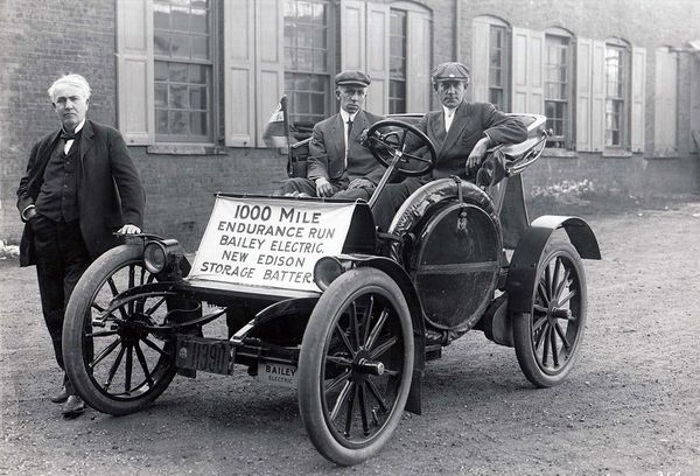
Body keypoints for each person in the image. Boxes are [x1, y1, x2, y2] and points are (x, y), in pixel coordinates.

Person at [16, 74, 146, 418]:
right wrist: (29, 210)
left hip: (83, 240)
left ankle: (78, 386)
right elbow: (26, 186)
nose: (68, 106)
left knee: (76, 311)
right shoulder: (44, 145)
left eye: (74, 99)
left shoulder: (106, 138)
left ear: (86, 102)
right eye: (61, 101)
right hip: (46, 238)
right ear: (54, 106)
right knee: (53, 313)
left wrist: (132, 219)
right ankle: (68, 375)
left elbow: (129, 182)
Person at [371, 62, 529, 231]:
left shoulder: (481, 112)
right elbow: (405, 142)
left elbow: (518, 128)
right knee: (386, 194)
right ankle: (382, 246)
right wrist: (377, 138)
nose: (451, 91)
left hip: (458, 187)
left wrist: (485, 141)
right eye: (445, 86)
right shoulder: (430, 120)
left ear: (465, 87)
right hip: (425, 183)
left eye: (456, 85)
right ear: (436, 89)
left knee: (417, 213)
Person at [277, 70, 385, 200]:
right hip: (332, 185)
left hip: (362, 187)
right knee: (291, 185)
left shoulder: (378, 124)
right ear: (338, 95)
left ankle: (312, 204)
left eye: (360, 93)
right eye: (350, 92)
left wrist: (369, 180)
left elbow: (390, 162)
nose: (355, 98)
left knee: (345, 197)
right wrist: (320, 179)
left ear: (365, 96)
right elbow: (316, 160)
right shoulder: (323, 128)